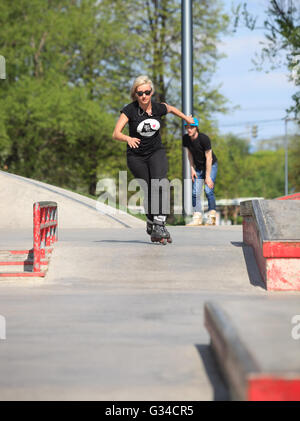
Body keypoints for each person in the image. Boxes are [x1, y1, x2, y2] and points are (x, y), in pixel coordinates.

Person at [112, 75, 194, 244]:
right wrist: (127, 139)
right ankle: (151, 222)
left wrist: (186, 119)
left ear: (151, 93)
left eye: (147, 92)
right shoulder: (129, 110)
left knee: (161, 183)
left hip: (156, 152)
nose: (143, 96)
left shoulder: (157, 108)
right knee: (149, 189)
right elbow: (116, 133)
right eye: (140, 93)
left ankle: (159, 222)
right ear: (135, 94)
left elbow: (170, 109)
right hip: (136, 157)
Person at [183, 118, 218, 226]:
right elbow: (189, 154)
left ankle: (212, 217)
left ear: (196, 128)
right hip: (197, 168)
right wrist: (192, 168)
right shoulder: (185, 139)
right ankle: (197, 217)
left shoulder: (204, 139)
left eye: (191, 127)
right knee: (195, 193)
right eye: (187, 127)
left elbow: (209, 158)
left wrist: (207, 176)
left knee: (208, 190)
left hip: (211, 165)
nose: (189, 130)